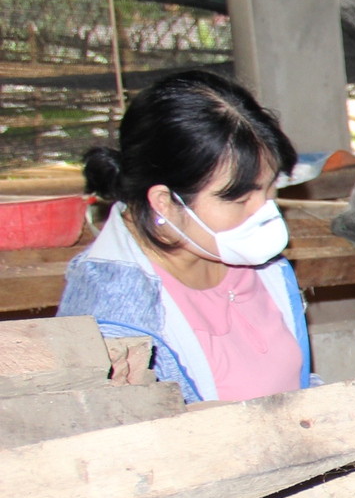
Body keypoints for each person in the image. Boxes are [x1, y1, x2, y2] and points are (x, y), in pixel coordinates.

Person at [59, 70, 312, 403]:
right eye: (238, 200)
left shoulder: (245, 255)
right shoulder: (112, 319)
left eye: (270, 190)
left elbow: (293, 382)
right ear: (165, 203)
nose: (264, 213)